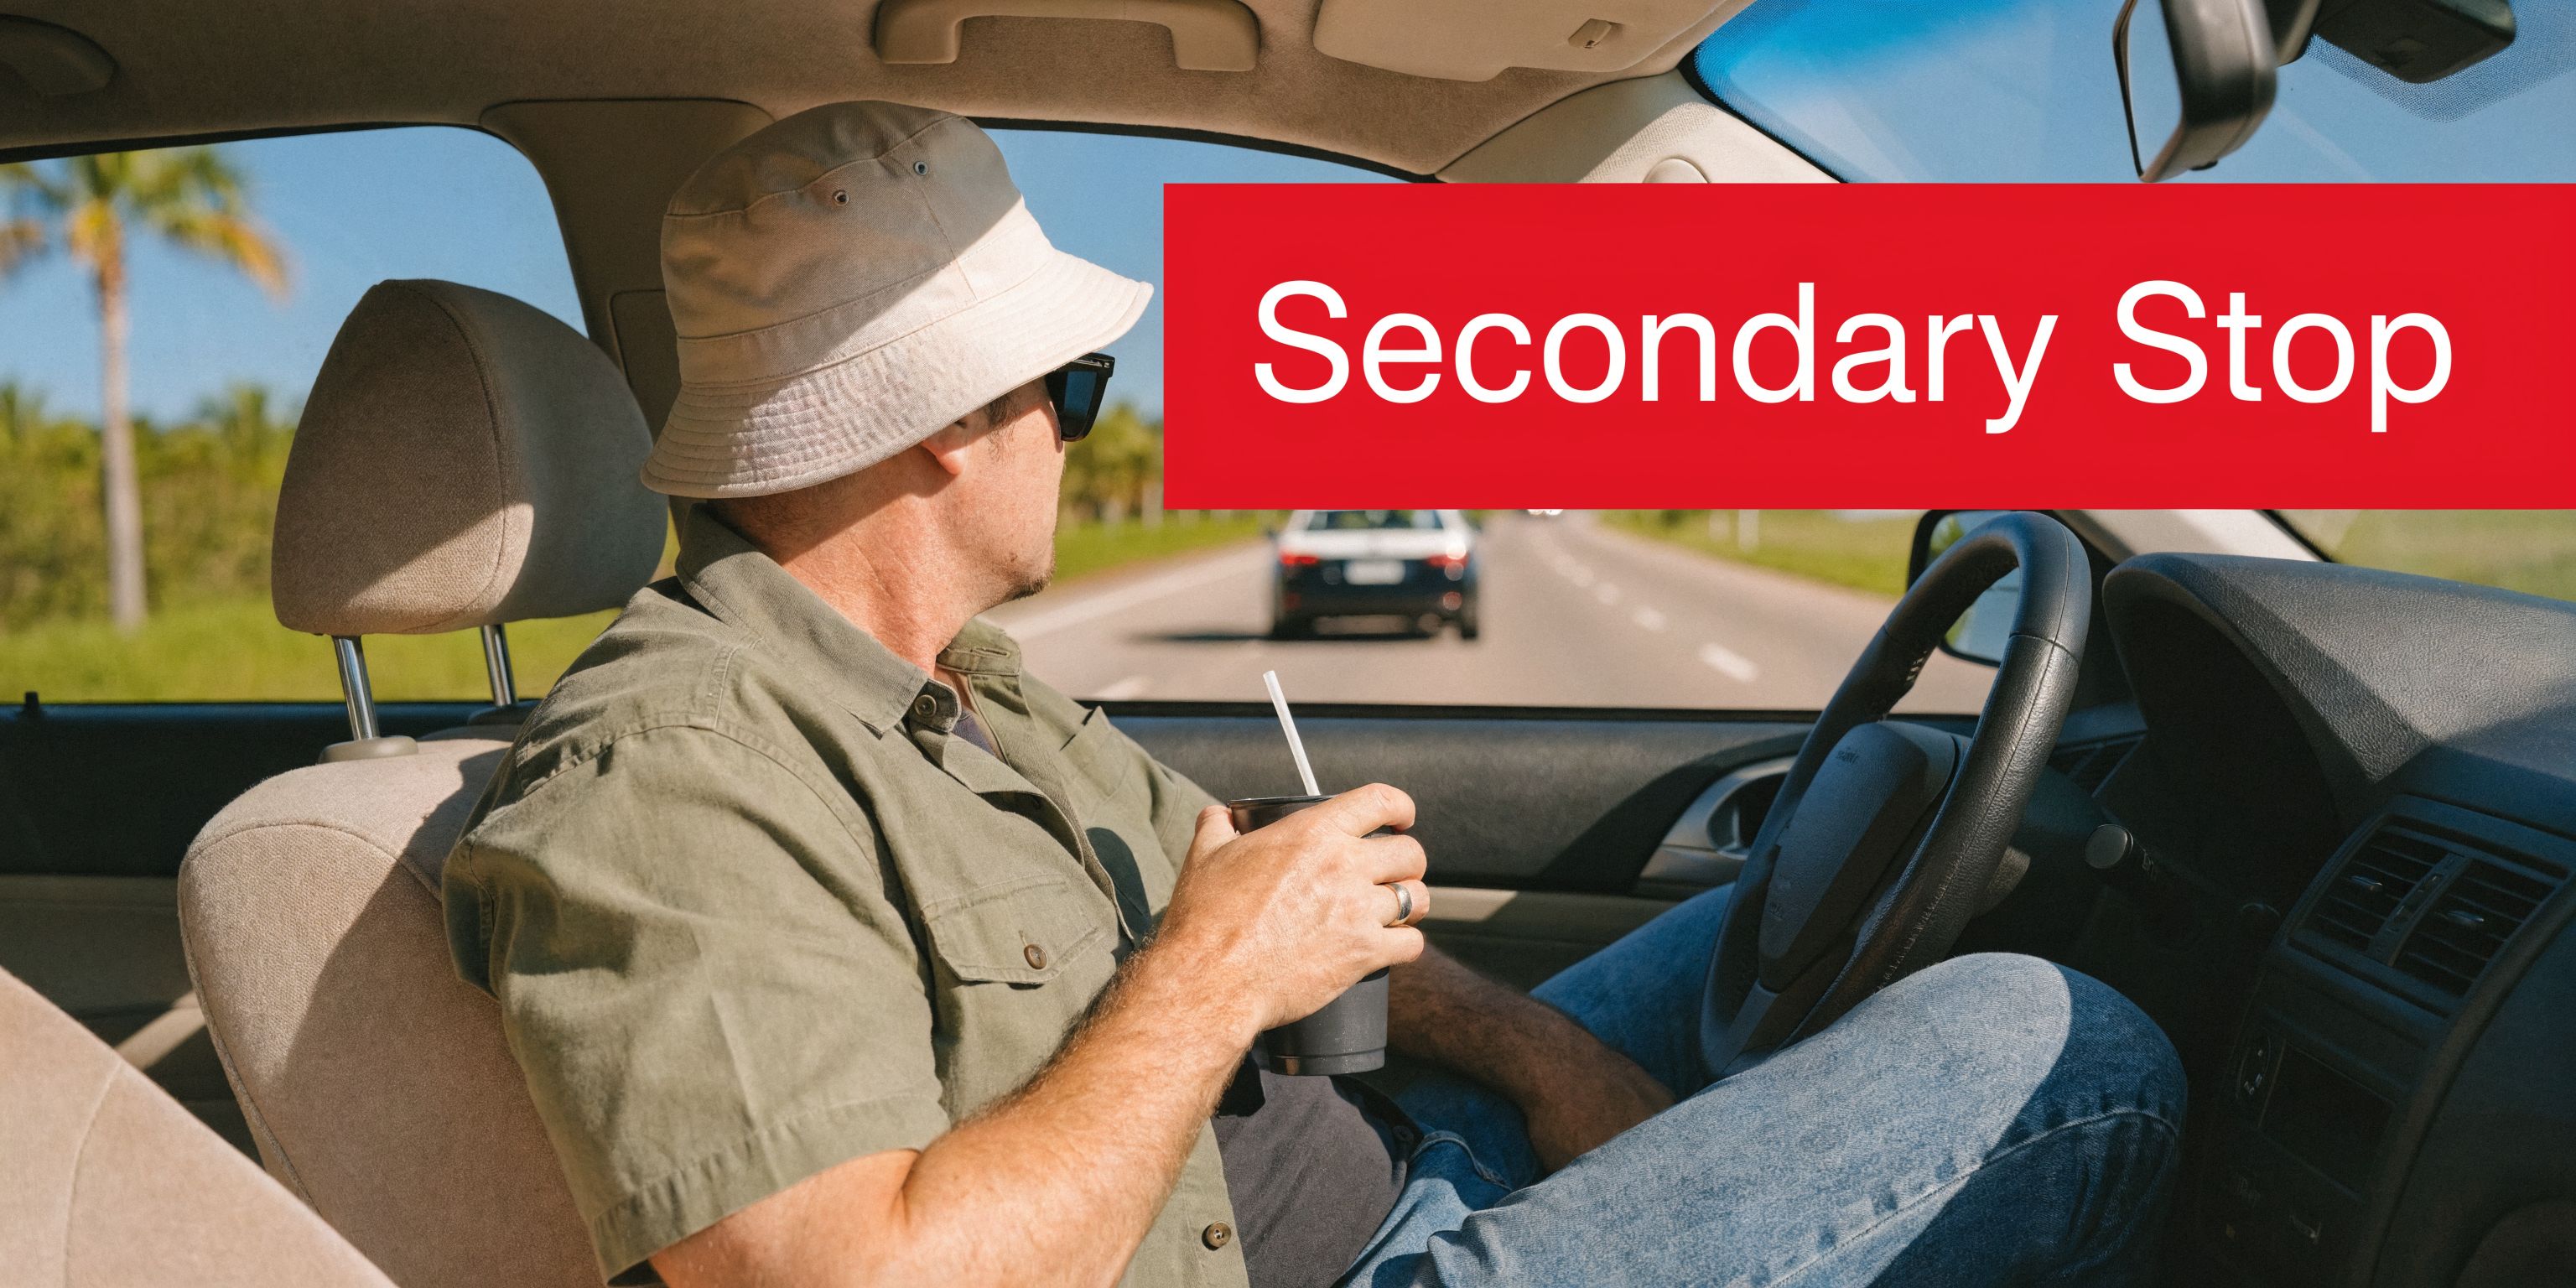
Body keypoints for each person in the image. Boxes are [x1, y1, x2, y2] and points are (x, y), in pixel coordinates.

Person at [443, 101, 2184, 1288]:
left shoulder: (968, 692)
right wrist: (1216, 972)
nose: (1079, 424)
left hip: (1387, 1163)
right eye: (1076, 383)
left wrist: (1539, 1055)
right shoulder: (669, 778)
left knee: (1792, 919)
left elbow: (1256, 894)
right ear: (948, 416)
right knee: (2063, 1047)